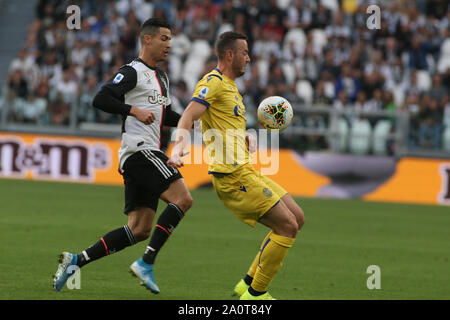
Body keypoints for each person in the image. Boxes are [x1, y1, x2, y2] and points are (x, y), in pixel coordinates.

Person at [53, 18, 193, 294]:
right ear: (147, 39)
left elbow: (165, 116)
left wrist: (192, 119)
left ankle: (76, 261)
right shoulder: (133, 72)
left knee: (139, 229)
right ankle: (146, 264)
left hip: (144, 154)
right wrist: (133, 110)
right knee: (183, 199)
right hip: (140, 150)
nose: (169, 44)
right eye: (164, 38)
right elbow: (101, 98)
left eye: (170, 39)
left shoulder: (161, 77)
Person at [167, 31, 305, 300]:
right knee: (286, 226)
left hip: (245, 170)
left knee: (297, 218)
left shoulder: (231, 88)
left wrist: (243, 136)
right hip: (231, 176)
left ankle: (247, 283)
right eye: (244, 53)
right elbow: (188, 115)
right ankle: (255, 294)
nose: (249, 58)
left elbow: (217, 122)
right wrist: (178, 150)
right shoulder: (213, 82)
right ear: (230, 54)